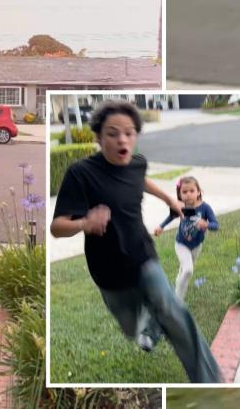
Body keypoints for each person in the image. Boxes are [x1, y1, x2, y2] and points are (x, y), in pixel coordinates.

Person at [50, 100, 222, 383]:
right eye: (113, 133)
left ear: (136, 136)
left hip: (142, 255)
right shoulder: (81, 174)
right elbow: (57, 227)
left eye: (129, 133)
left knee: (173, 310)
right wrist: (84, 223)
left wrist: (168, 198)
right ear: (98, 137)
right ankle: (151, 325)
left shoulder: (136, 162)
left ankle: (210, 380)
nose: (122, 139)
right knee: (132, 329)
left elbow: (139, 178)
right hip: (107, 271)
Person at [154, 175, 219, 303]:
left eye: (191, 191)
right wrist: (161, 226)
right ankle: (177, 302)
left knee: (185, 272)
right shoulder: (180, 206)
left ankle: (177, 290)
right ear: (180, 193)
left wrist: (206, 224)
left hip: (196, 246)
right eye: (184, 192)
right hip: (181, 244)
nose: (188, 195)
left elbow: (215, 225)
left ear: (198, 192)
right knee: (188, 270)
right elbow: (171, 217)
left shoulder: (205, 208)